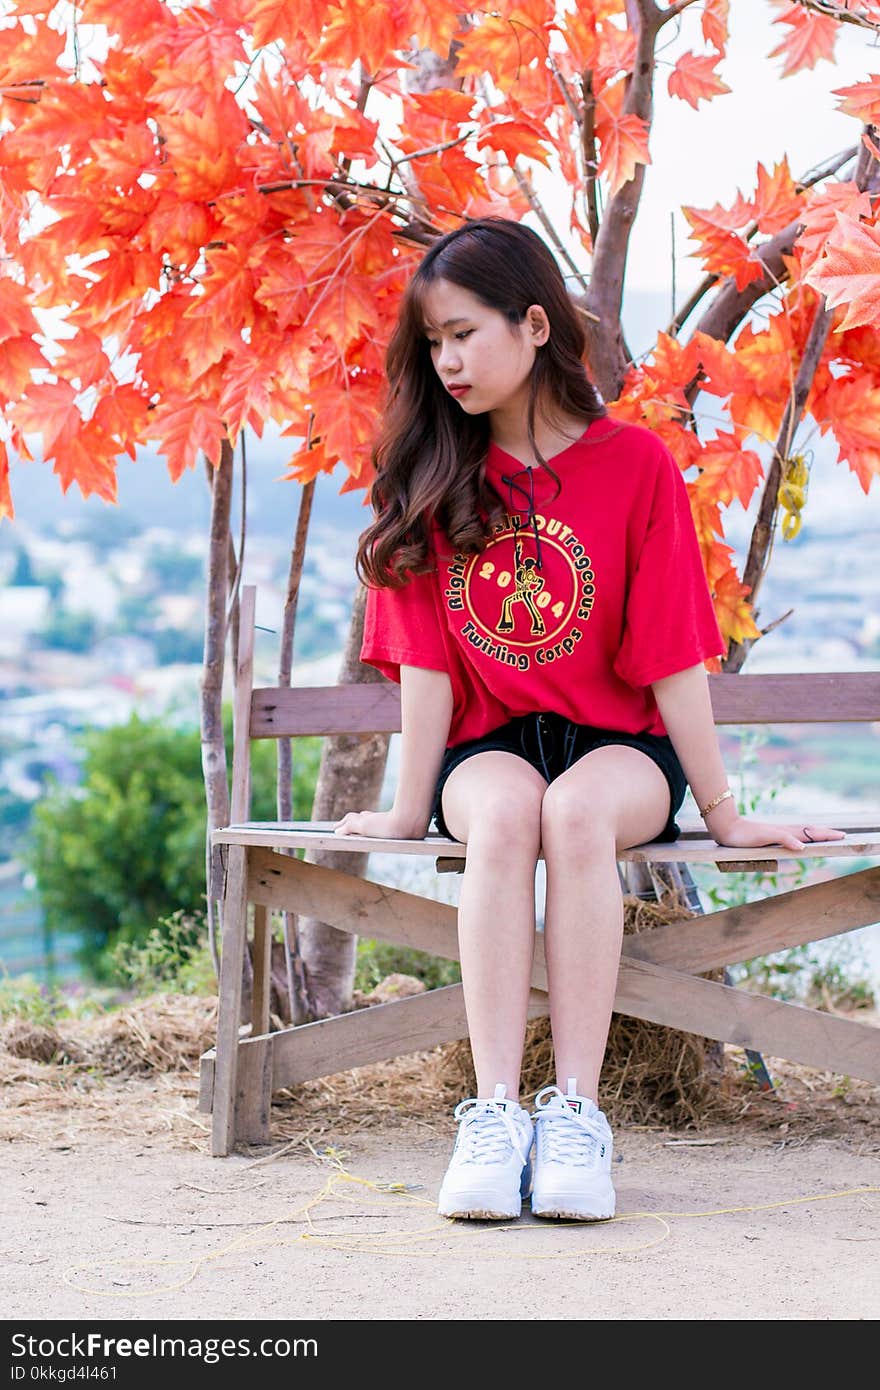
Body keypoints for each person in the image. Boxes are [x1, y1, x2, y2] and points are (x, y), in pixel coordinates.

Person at [334, 216, 845, 1223]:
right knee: (510, 813)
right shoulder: (434, 478)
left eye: (462, 334)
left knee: (572, 813)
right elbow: (428, 668)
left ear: (533, 325)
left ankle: (574, 1114)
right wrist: (403, 812)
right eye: (430, 342)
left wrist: (726, 811)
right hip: (488, 749)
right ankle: (493, 1113)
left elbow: (669, 657)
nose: (445, 362)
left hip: (620, 752)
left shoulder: (635, 467)